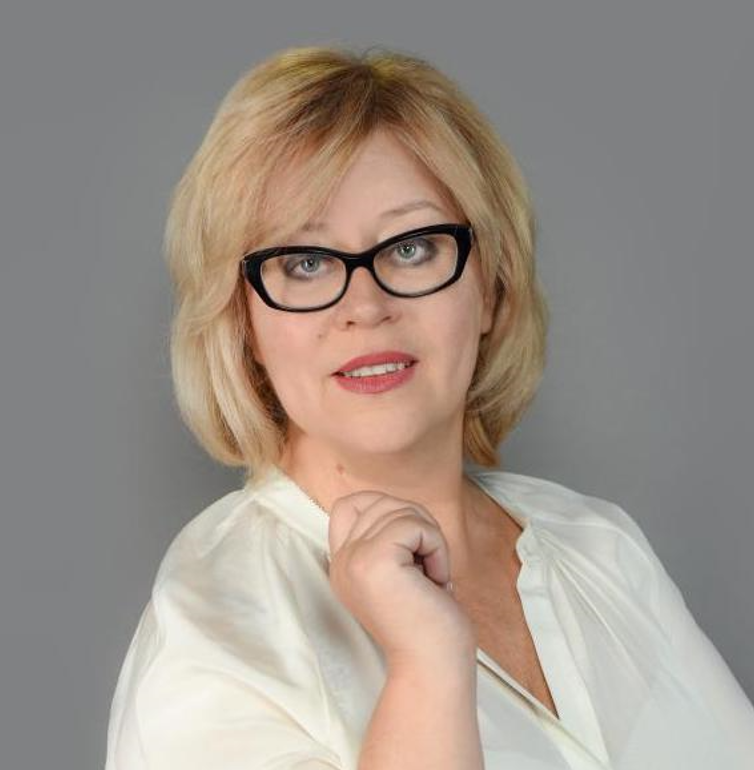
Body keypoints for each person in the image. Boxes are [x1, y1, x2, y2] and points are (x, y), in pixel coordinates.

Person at [104, 44, 754, 770]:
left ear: (492, 286)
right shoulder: (215, 640)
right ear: (244, 325)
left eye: (411, 248)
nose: (365, 306)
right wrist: (427, 665)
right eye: (305, 262)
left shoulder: (601, 548)